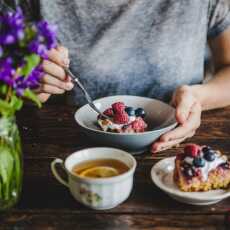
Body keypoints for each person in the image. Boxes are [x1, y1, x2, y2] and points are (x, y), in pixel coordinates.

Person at [16, 0, 230, 152]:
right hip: (68, 151)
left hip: (174, 151)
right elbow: (9, 80)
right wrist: (24, 82)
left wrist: (198, 97)